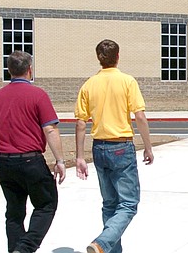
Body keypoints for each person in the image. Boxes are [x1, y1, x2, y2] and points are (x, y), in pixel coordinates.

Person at [75, 39, 154, 253]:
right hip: (121, 147)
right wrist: (148, 146)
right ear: (118, 57)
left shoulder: (89, 84)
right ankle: (102, 243)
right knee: (128, 204)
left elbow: (81, 123)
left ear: (98, 58)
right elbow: (139, 116)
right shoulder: (127, 81)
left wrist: (80, 157)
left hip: (99, 147)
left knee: (110, 204)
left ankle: (108, 249)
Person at [0, 50, 66, 253]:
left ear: (9, 70)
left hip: (4, 162)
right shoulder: (38, 95)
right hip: (30, 162)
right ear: (30, 70)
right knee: (46, 204)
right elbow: (50, 128)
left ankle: (15, 248)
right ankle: (25, 248)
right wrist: (60, 160)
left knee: (14, 212)